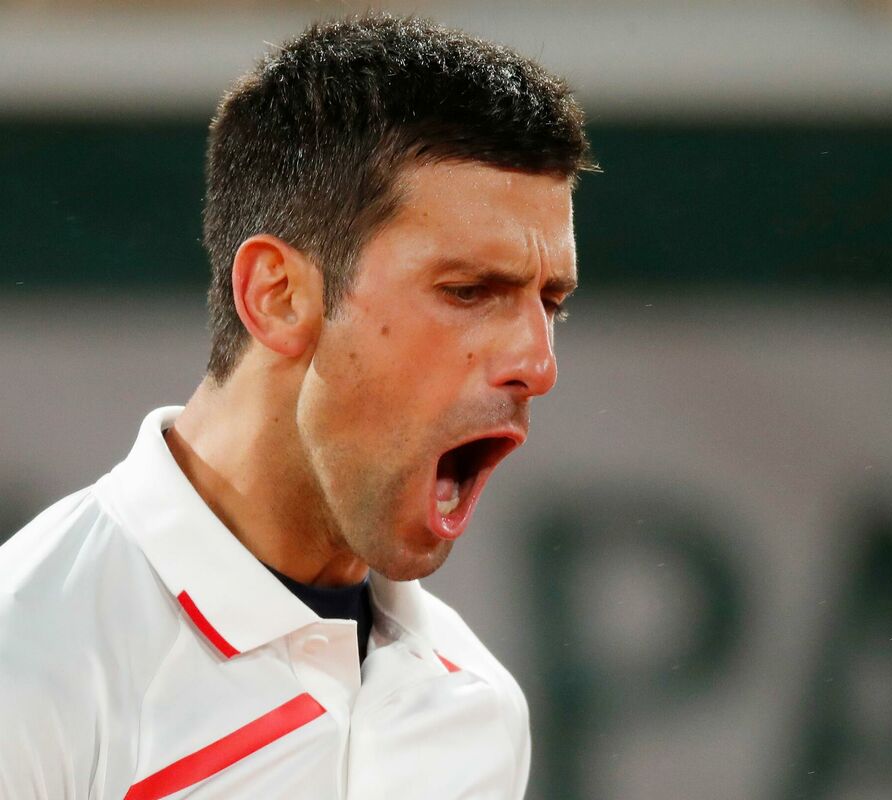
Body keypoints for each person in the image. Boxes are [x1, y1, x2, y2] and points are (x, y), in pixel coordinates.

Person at [0, 13, 594, 799]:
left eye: (550, 302)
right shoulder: (26, 663)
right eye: (468, 290)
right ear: (277, 296)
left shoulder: (478, 710)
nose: (538, 366)